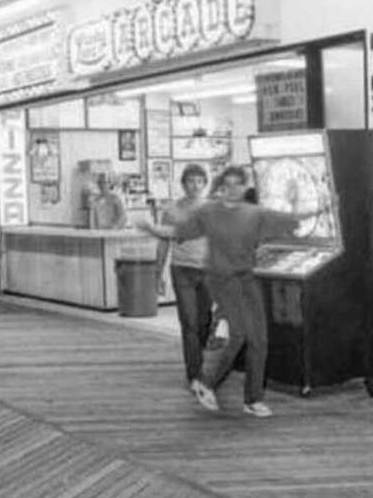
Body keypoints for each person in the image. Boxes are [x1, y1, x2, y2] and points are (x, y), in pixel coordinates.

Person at [138, 165, 322, 418]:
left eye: (239, 184)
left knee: (259, 339)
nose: (233, 189)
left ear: (245, 187)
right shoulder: (209, 212)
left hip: (246, 280)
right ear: (221, 187)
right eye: (228, 184)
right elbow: (177, 232)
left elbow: (289, 218)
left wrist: (321, 207)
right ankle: (206, 382)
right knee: (237, 335)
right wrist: (151, 229)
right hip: (220, 280)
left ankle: (252, 399)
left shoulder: (253, 212)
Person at [147, 164, 213, 388]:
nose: (194, 185)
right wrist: (157, 274)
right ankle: (194, 371)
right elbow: (163, 242)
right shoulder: (172, 210)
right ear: (183, 184)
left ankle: (200, 353)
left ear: (205, 184)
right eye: (190, 181)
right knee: (189, 321)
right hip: (181, 269)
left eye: (199, 181)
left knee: (204, 321)